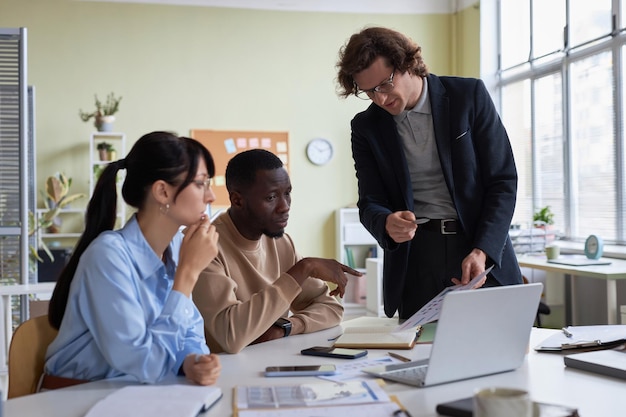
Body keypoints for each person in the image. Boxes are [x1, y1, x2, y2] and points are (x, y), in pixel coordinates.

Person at [335, 27, 522, 320]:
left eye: (384, 84)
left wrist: (482, 250)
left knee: (498, 354)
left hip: (478, 248)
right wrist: (386, 223)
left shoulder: (468, 96)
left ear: (407, 64)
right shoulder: (366, 127)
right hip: (416, 258)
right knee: (420, 359)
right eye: (369, 91)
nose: (380, 99)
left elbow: (503, 181)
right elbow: (369, 202)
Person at [44, 131, 221, 388]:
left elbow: (190, 330)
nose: (211, 197)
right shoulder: (107, 256)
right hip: (74, 397)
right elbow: (147, 363)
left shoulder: (175, 246)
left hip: (133, 392)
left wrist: (191, 360)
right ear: (162, 192)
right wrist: (188, 274)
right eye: (200, 183)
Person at [192, 149, 362, 354]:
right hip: (222, 373)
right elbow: (231, 336)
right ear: (237, 200)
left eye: (287, 193)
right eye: (271, 197)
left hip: (272, 362)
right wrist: (305, 268)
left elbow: (332, 308)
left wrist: (284, 328)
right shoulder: (207, 246)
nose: (285, 206)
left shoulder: (281, 243)